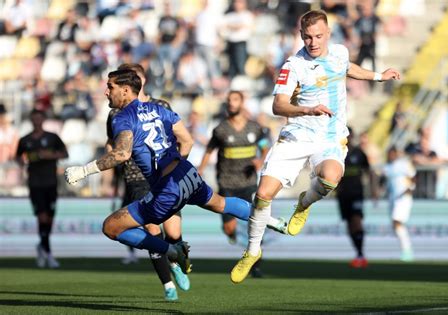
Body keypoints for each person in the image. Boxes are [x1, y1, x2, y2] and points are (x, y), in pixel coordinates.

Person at [230, 9, 401, 283]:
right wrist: (307, 110)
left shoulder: (340, 53)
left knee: (331, 177)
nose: (313, 42)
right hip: (298, 134)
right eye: (308, 37)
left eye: (318, 36)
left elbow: (349, 69)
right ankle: (252, 251)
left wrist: (379, 76)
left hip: (329, 137)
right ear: (301, 36)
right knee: (263, 194)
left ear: (328, 34)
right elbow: (278, 105)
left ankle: (304, 203)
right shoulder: (293, 65)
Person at [64, 69, 286, 279]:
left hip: (166, 188)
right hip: (185, 172)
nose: (106, 92)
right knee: (221, 204)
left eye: (110, 86)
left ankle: (172, 251)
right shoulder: (159, 109)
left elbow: (121, 154)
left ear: (125, 90)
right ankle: (274, 221)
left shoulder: (122, 117)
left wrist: (84, 170)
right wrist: (177, 170)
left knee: (111, 227)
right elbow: (187, 140)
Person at [105, 63, 188, 301]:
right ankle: (168, 285)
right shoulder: (115, 113)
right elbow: (113, 143)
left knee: (173, 231)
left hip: (164, 175)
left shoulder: (161, 106)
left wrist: (178, 166)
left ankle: (176, 261)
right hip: (136, 176)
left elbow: (179, 138)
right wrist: (111, 156)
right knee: (153, 229)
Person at [198, 91, 285, 277]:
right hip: (227, 182)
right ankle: (232, 236)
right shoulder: (221, 129)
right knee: (229, 227)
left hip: (249, 183)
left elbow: (264, 147)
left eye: (235, 100)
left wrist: (260, 161)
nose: (231, 103)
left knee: (256, 225)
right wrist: (200, 170)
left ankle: (256, 266)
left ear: (241, 102)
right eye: (229, 100)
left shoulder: (254, 128)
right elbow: (209, 150)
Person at [16, 109, 68, 268]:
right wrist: (24, 161)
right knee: (42, 217)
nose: (36, 121)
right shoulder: (25, 140)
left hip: (51, 182)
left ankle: (42, 247)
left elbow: (65, 154)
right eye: (34, 119)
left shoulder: (52, 137)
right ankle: (48, 253)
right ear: (31, 121)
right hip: (35, 183)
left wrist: (49, 155)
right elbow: (18, 157)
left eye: (39, 118)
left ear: (43, 119)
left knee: (49, 219)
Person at [336, 127, 377, 268]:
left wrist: (374, 190)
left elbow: (370, 172)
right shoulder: (336, 153)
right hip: (342, 195)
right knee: (349, 224)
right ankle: (359, 254)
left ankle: (361, 254)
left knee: (356, 220)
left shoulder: (359, 153)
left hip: (356, 193)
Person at [381, 146, 416, 262]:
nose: (390, 156)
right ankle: (406, 250)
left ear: (396, 154)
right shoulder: (387, 167)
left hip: (403, 197)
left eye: (392, 154)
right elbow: (383, 181)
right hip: (393, 198)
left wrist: (410, 188)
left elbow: (413, 177)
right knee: (395, 223)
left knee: (397, 221)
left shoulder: (404, 164)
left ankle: (407, 250)